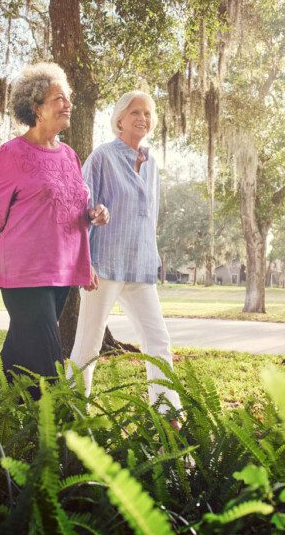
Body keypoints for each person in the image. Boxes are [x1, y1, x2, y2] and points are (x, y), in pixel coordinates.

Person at [0, 63, 109, 398]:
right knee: (49, 364)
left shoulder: (68, 156)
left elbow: (70, 211)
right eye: (58, 99)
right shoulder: (11, 155)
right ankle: (63, 438)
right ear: (37, 108)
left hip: (60, 276)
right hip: (24, 275)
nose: (68, 104)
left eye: (68, 98)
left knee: (20, 355)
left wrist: (92, 215)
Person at [69, 90, 180, 415]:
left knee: (158, 341)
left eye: (147, 113)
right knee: (88, 345)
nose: (142, 119)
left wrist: (153, 256)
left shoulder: (151, 163)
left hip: (140, 269)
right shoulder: (102, 156)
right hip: (103, 267)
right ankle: (71, 417)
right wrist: (94, 216)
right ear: (119, 119)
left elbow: (152, 216)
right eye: (135, 113)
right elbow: (81, 206)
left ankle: (168, 416)